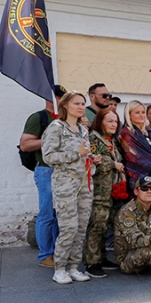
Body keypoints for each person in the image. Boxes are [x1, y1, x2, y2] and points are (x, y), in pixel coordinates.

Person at [41, 91, 100, 284]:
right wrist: (77, 153)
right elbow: (48, 157)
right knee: (69, 227)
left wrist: (91, 158)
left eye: (83, 103)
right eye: (77, 103)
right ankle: (60, 268)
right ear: (65, 105)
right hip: (65, 184)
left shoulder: (83, 129)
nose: (81, 107)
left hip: (84, 182)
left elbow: (84, 153)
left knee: (81, 227)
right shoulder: (56, 127)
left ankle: (74, 267)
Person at [19, 85, 66, 268]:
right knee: (47, 213)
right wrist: (49, 139)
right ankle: (45, 255)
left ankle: (56, 251)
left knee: (58, 213)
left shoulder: (65, 119)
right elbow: (25, 145)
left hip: (63, 171)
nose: (62, 100)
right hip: (46, 169)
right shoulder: (39, 117)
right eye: (59, 97)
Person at [84, 108, 125, 278]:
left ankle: (100, 257)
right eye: (109, 121)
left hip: (109, 190)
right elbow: (92, 161)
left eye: (115, 121)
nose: (113, 124)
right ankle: (91, 262)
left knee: (104, 224)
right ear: (100, 121)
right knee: (97, 225)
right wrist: (112, 164)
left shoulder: (112, 140)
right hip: (99, 191)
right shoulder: (93, 138)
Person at [119, 100, 151, 196]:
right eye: (137, 112)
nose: (141, 115)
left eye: (143, 112)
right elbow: (131, 157)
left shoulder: (146, 132)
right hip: (138, 178)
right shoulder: (126, 133)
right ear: (129, 115)